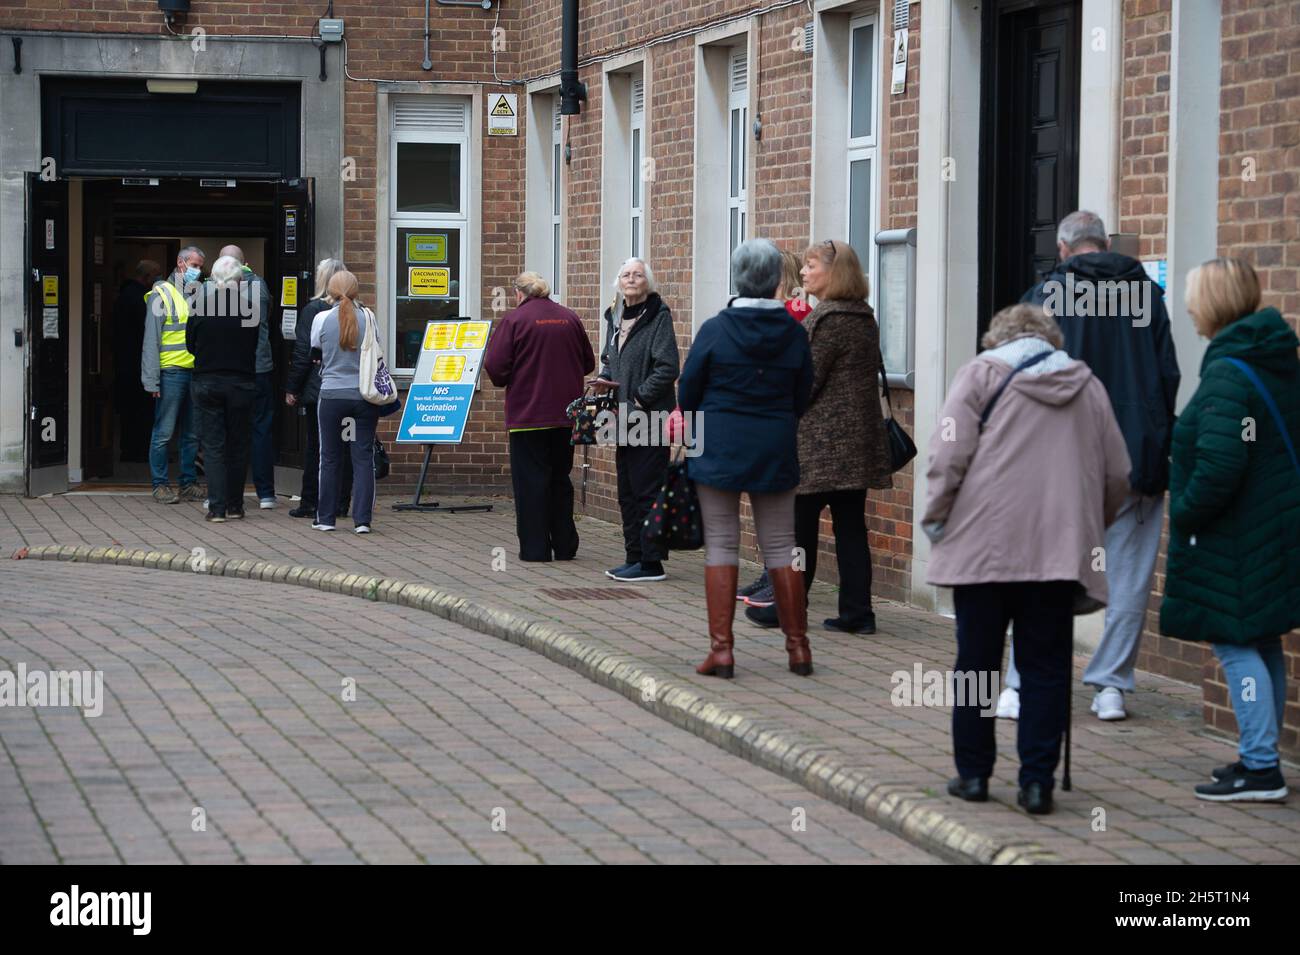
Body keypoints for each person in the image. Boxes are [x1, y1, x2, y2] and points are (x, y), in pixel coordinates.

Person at [924, 303, 1130, 815]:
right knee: (1045, 667)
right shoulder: (1088, 387)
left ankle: (973, 776)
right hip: (1056, 555)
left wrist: (935, 515)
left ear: (997, 338)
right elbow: (1119, 473)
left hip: (982, 547)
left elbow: (948, 454)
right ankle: (1036, 783)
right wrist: (1088, 526)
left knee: (976, 664)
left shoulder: (978, 374)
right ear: (1049, 339)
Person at [999, 210, 1181, 723]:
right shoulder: (1146, 297)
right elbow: (1167, 375)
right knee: (1128, 576)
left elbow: (1020, 380)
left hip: (1061, 459)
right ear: (1104, 244)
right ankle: (1111, 688)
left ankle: (1019, 683)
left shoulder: (1046, 297)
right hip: (1135, 454)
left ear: (1063, 249)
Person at [1160, 258, 1298, 803]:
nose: (1189, 308)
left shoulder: (1227, 371)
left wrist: (1187, 511)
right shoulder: (1272, 360)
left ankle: (1261, 767)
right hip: (1271, 528)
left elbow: (1221, 463)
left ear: (1213, 303)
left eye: (1194, 297)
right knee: (1261, 638)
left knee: (1236, 642)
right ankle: (1258, 757)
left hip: (1237, 535)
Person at [679, 239, 814, 678]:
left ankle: (722, 650)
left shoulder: (716, 329)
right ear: (777, 280)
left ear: (737, 278)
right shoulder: (794, 333)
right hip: (774, 443)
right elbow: (803, 393)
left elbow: (688, 391)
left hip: (719, 443)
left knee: (721, 541)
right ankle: (798, 648)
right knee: (780, 543)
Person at [745, 240, 891, 634]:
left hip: (820, 444)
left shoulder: (828, 319)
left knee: (797, 531)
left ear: (834, 273)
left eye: (811, 267)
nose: (803, 274)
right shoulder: (863, 316)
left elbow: (805, 383)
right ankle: (858, 614)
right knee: (850, 528)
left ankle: (788, 606)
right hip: (854, 445)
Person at [484, 271, 595, 561]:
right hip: (566, 416)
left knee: (531, 483)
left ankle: (535, 549)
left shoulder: (515, 320)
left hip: (528, 416)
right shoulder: (569, 318)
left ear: (519, 293)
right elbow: (588, 362)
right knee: (560, 479)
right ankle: (565, 544)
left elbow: (495, 366)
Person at [594, 258, 680, 582]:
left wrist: (639, 400)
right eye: (626, 274)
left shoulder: (658, 316)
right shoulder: (615, 315)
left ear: (648, 282)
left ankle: (651, 563)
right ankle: (634, 556)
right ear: (618, 281)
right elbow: (608, 360)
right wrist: (602, 382)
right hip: (621, 418)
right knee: (627, 490)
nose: (631, 279)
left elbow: (668, 367)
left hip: (650, 417)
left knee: (647, 491)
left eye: (638, 274)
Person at [738, 248, 813, 607]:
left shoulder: (797, 314)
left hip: (781, 422)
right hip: (761, 421)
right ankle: (769, 572)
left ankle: (778, 579)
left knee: (782, 510)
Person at [186, 256, 260, 522]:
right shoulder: (249, 309)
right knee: (238, 446)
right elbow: (253, 345)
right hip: (241, 383)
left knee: (213, 447)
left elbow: (190, 346)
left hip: (207, 382)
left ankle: (216, 508)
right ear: (239, 281)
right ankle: (236, 505)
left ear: (214, 280)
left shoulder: (199, 307)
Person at [311, 270, 380, 534]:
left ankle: (326, 518)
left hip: (331, 395)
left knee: (329, 458)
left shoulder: (321, 318)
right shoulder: (370, 318)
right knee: (363, 457)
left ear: (330, 290)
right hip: (363, 395)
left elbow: (315, 348)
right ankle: (362, 520)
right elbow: (378, 348)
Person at [285, 258, 352, 521]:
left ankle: (311, 501)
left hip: (321, 389)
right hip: (352, 390)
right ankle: (341, 503)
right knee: (345, 446)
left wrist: (292, 387)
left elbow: (303, 353)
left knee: (317, 447)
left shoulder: (314, 310)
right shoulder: (359, 310)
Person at [142, 246, 205, 504]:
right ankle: (160, 485)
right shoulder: (161, 294)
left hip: (194, 373)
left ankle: (188, 483)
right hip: (170, 373)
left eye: (201, 267)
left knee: (191, 434)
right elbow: (151, 340)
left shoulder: (197, 293)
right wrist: (151, 379)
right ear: (181, 264)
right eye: (195, 265)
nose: (198, 271)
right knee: (164, 433)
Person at [219, 245, 277, 510]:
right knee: (261, 430)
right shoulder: (260, 288)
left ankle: (223, 494)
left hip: (230, 369)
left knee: (226, 432)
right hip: (260, 367)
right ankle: (265, 494)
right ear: (246, 263)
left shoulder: (213, 293)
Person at [112, 259, 161, 463]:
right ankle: (138, 450)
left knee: (129, 410)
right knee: (140, 410)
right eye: (155, 276)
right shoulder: (141, 297)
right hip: (136, 361)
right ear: (147, 277)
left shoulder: (125, 294)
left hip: (125, 360)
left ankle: (130, 449)